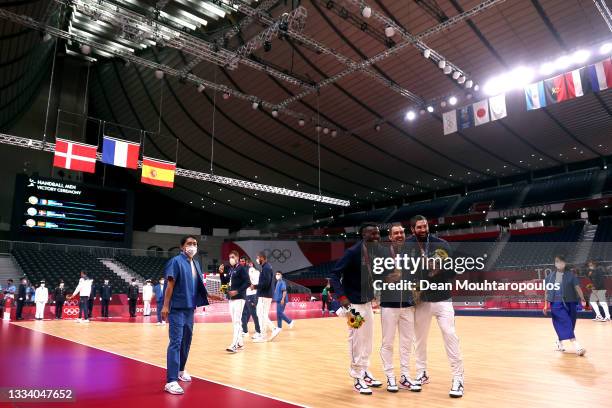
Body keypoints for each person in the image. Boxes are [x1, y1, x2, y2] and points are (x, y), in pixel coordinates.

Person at [407, 215, 464, 398]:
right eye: (419, 227)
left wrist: (439, 269)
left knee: (450, 336)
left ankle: (458, 378)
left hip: (442, 298)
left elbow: (454, 270)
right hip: (421, 301)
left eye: (425, 226)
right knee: (420, 340)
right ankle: (422, 372)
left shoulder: (441, 244)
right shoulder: (407, 246)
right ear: (412, 229)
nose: (423, 230)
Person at [329, 222, 383, 394]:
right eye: (371, 234)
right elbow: (334, 275)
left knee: (368, 340)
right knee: (356, 340)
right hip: (353, 305)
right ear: (363, 235)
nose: (375, 236)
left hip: (367, 303)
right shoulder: (352, 252)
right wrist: (342, 298)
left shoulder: (375, 253)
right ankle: (357, 377)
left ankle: (365, 370)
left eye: (377, 233)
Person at [161, 235, 209, 395]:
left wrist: (210, 295)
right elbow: (170, 284)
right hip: (176, 308)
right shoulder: (176, 261)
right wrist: (166, 305)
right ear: (182, 247)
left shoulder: (195, 263)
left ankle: (181, 370)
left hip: (190, 308)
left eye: (195, 244)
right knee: (176, 341)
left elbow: (197, 285)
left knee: (187, 341)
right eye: (189, 243)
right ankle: (171, 381)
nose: (192, 246)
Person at [380, 223, 421, 393]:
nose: (399, 235)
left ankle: (405, 376)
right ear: (390, 237)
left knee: (406, 343)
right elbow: (373, 276)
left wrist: (417, 289)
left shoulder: (411, 253)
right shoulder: (382, 253)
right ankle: (390, 377)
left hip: (408, 306)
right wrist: (385, 279)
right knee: (387, 343)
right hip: (389, 306)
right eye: (395, 233)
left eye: (401, 232)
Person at [543, 255, 587, 355]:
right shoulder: (549, 277)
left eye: (561, 261)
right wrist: (545, 305)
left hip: (570, 302)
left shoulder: (571, 275)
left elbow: (577, 288)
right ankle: (577, 346)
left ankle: (559, 341)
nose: (559, 263)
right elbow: (546, 292)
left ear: (565, 263)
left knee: (570, 325)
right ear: (554, 263)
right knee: (565, 322)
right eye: (557, 261)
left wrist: (583, 298)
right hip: (556, 304)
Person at [225, 250, 250, 353]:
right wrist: (226, 292)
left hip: (239, 298)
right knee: (234, 321)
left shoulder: (241, 269)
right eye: (230, 257)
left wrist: (237, 291)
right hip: (231, 299)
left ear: (237, 257)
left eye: (232, 257)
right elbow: (228, 283)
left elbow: (248, 282)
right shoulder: (231, 270)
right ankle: (240, 342)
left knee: (237, 321)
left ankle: (234, 345)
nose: (231, 259)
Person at [253, 252, 275, 342]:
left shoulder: (266, 268)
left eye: (258, 258)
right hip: (265, 294)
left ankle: (265, 334)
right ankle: (270, 330)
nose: (257, 259)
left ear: (262, 258)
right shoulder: (266, 267)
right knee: (261, 314)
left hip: (264, 294)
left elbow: (265, 283)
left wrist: (255, 286)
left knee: (261, 314)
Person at [269, 271, 294, 341]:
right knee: (278, 314)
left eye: (278, 274)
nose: (277, 275)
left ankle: (290, 321)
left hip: (281, 300)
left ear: (281, 275)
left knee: (280, 313)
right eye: (276, 274)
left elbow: (284, 291)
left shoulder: (282, 282)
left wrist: (283, 299)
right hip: (278, 300)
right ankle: (279, 327)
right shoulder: (277, 282)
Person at [241, 258, 261, 338]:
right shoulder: (256, 271)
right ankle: (245, 330)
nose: (248, 264)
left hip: (251, 294)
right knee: (246, 313)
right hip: (250, 294)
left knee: (254, 313)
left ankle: (258, 331)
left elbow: (252, 282)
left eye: (248, 263)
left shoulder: (250, 271)